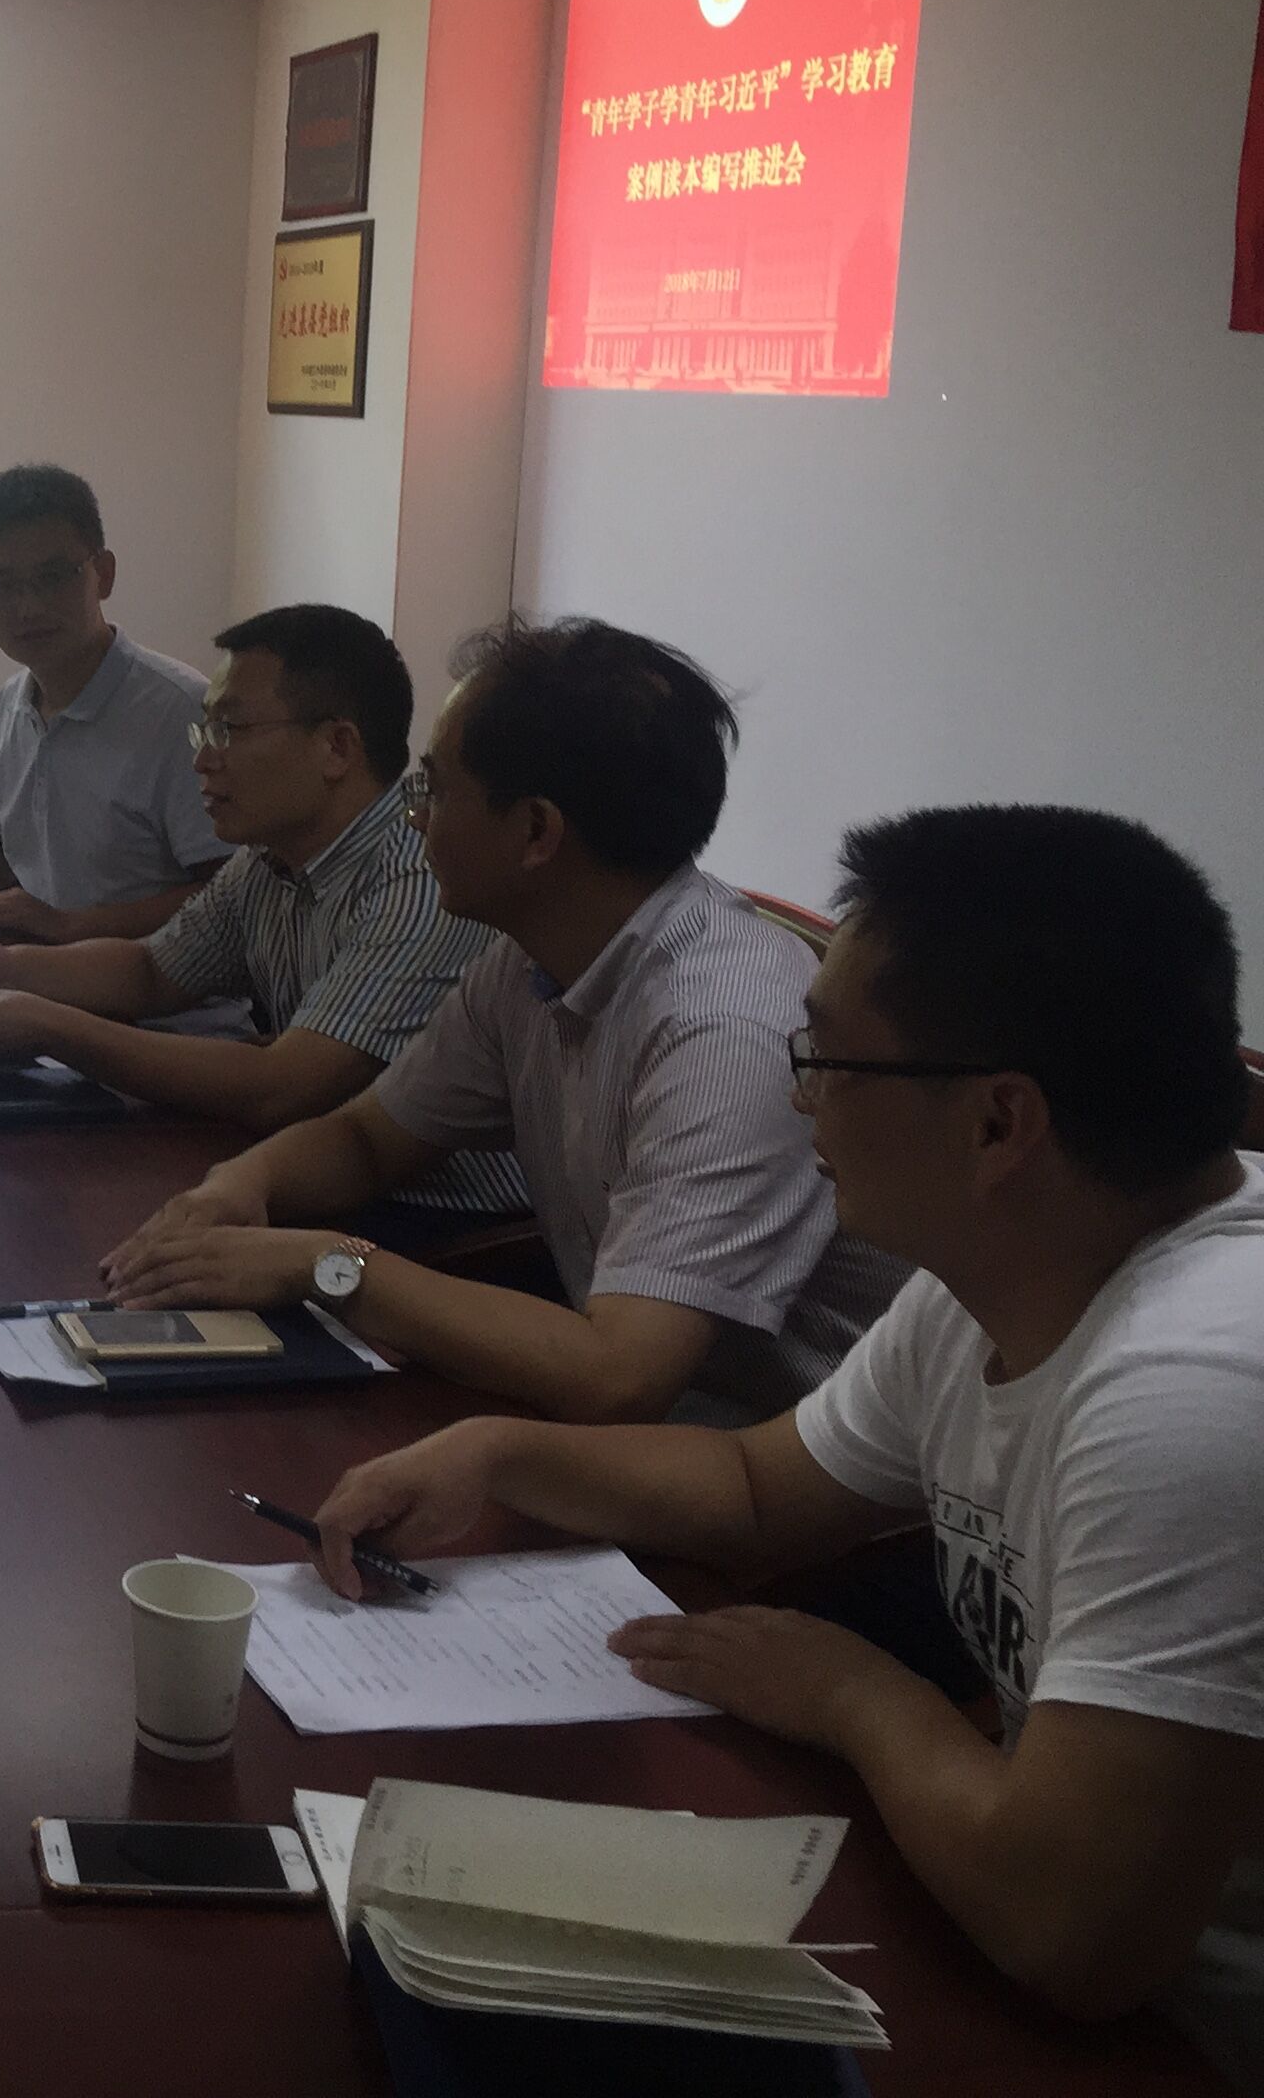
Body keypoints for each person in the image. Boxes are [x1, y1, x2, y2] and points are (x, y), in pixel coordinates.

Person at [308, 806, 1264, 2081]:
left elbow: (1073, 1937)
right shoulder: (1016, 1258)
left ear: (998, 1125)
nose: (799, 1094)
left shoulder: (1196, 1388)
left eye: (828, 1060)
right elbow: (761, 1487)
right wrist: (497, 1454)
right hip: (1018, 1948)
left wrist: (855, 1694)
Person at [100, 616, 903, 1426]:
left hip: (786, 1460)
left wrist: (328, 1265)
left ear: (535, 832)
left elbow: (620, 1374)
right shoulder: (529, 959)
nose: (414, 819)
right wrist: (242, 1184)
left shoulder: (722, 1031)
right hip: (646, 1416)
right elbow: (369, 1138)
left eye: (434, 790)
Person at [0, 604, 522, 1238]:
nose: (203, 760)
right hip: (310, 1175)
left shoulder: (416, 880)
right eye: (204, 731)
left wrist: (52, 1027)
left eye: (230, 730)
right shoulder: (268, 857)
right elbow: (151, 971)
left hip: (453, 1225)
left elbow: (282, 1087)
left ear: (336, 748)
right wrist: (3, 966)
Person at [0, 464, 224, 943]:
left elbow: (230, 896)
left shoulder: (181, 712)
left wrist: (69, 928)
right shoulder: (8, 706)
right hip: (29, 970)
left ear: (104, 574)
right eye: (1, 584)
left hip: (152, 987)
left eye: (54, 577)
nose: (28, 608)